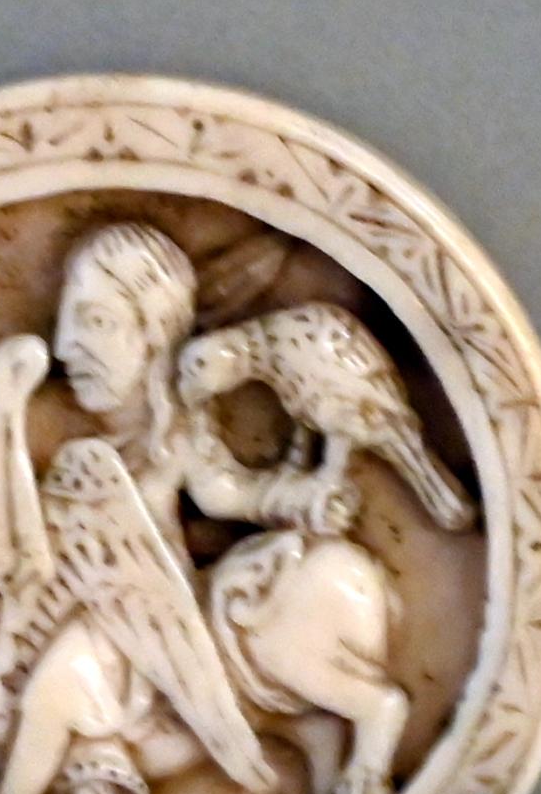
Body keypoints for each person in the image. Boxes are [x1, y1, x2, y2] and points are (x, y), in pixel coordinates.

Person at [50, 224, 353, 551]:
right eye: (63, 322)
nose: (62, 348)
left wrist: (306, 499)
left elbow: (232, 494)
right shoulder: (44, 425)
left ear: (156, 333)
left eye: (97, 321)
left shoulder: (177, 436)